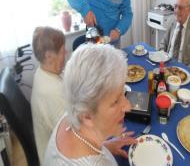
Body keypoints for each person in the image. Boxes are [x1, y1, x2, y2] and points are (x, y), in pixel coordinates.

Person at [31, 27, 135, 164]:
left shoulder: (69, 106)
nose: (128, 106)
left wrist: (107, 147)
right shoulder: (52, 93)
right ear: (86, 115)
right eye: (115, 101)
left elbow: (82, 131)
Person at [31, 26, 66, 165]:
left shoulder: (43, 71)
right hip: (58, 159)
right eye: (63, 51)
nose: (67, 54)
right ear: (49, 56)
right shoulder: (51, 92)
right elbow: (75, 136)